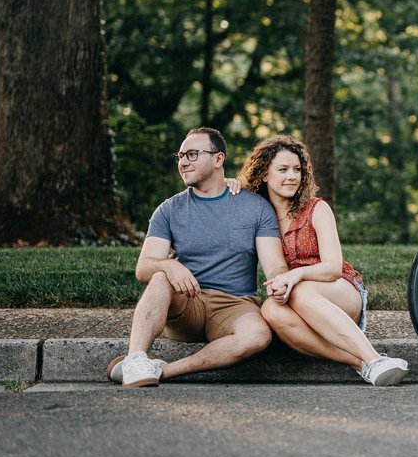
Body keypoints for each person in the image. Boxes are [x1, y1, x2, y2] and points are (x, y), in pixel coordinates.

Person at [107, 127, 285, 387]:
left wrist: (281, 281)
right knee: (159, 278)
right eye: (180, 156)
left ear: (218, 159)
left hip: (235, 305)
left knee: (257, 335)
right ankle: (135, 359)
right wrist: (169, 266)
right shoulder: (168, 210)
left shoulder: (255, 207)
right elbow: (143, 268)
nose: (183, 162)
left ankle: (164, 370)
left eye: (191, 154)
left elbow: (275, 266)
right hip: (187, 302)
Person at [235, 134, 409, 386]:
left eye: (297, 169)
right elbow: (224, 196)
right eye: (282, 170)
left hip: (340, 291)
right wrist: (231, 183)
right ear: (263, 174)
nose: (292, 176)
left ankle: (372, 358)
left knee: (301, 290)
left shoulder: (317, 208)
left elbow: (333, 268)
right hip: (297, 299)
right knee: (270, 309)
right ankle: (359, 363)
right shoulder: (260, 216)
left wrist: (295, 276)